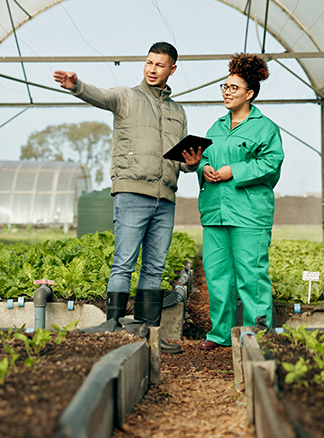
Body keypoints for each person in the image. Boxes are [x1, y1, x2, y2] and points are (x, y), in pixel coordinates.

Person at [53, 42, 202, 354]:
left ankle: (149, 333)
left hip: (165, 198)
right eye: (149, 62)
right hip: (133, 192)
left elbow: (182, 161)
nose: (152, 69)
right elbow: (101, 96)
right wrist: (77, 86)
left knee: (155, 267)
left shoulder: (177, 112)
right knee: (124, 262)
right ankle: (114, 327)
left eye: (159, 65)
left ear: (172, 69)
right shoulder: (127, 97)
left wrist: (192, 163)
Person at [196, 53, 284, 350]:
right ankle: (219, 334)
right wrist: (202, 167)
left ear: (250, 94)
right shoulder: (216, 127)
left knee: (252, 275)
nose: (227, 92)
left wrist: (234, 170)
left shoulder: (265, 127)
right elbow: (205, 158)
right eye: (225, 87)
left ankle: (257, 333)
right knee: (217, 276)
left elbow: (271, 163)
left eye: (233, 88)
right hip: (215, 212)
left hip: (249, 213)